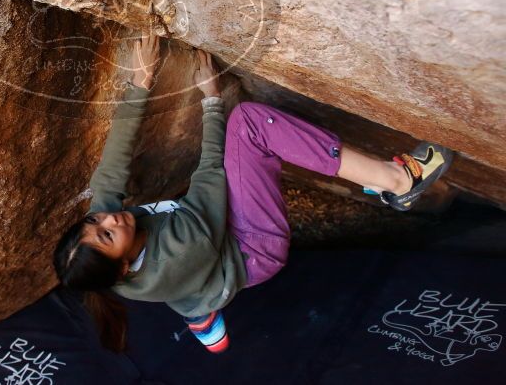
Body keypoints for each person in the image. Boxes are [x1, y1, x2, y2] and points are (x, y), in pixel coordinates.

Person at [53, 30, 453, 353]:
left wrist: (140, 82)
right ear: (122, 268)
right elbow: (211, 174)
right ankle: (399, 181)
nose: (108, 217)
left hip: (196, 270)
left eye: (94, 220)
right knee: (250, 123)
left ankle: (200, 313)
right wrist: (211, 99)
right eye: (107, 233)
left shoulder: (109, 260)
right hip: (251, 250)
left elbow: (112, 166)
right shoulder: (179, 249)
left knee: (188, 286)